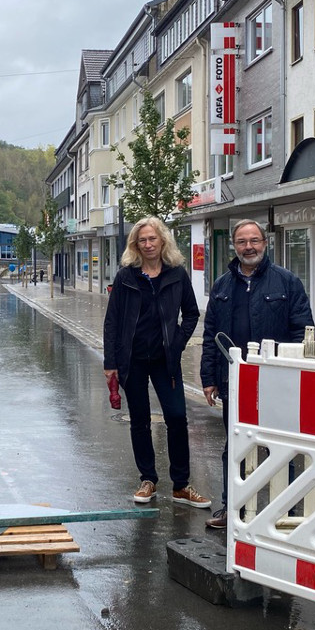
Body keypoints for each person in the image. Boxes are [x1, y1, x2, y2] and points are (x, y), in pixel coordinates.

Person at [200, 219, 313, 530]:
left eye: (254, 241)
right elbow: (211, 335)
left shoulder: (287, 282)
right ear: (234, 246)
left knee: (281, 447)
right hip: (233, 381)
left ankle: (287, 511)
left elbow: (304, 332)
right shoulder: (222, 285)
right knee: (235, 447)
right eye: (241, 242)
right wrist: (208, 378)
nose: (248, 247)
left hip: (276, 381)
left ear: (265, 243)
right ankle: (231, 508)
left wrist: (288, 369)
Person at [103, 217, 209, 510]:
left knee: (176, 417)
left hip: (166, 360)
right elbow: (112, 321)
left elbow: (190, 313)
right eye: (142, 240)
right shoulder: (127, 277)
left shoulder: (176, 274)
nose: (148, 245)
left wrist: (177, 341)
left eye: (152, 239)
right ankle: (148, 480)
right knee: (140, 420)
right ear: (135, 245)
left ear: (163, 240)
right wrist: (110, 361)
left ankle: (181, 485)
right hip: (132, 360)